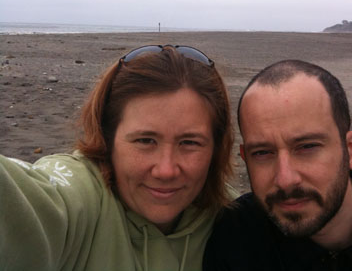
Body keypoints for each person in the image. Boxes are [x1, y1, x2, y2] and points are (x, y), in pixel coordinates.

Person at [0, 45, 237, 271]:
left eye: (189, 143)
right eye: (145, 141)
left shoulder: (239, 222)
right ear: (107, 140)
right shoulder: (81, 199)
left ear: (216, 148)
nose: (166, 170)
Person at [203, 60, 352, 270]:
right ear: (245, 158)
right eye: (262, 152)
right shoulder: (236, 235)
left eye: (307, 147)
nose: (286, 179)